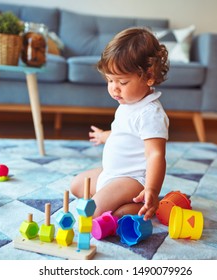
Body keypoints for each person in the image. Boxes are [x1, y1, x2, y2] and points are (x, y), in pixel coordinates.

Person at [70, 27, 169, 221]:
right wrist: (104, 136)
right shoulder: (127, 103)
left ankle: (143, 203)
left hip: (133, 180)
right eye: (109, 80)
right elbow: (123, 134)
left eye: (122, 82)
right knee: (76, 186)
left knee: (95, 213)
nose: (114, 88)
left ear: (149, 76)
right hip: (112, 173)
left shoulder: (151, 113)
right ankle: (117, 201)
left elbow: (155, 154)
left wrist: (152, 189)